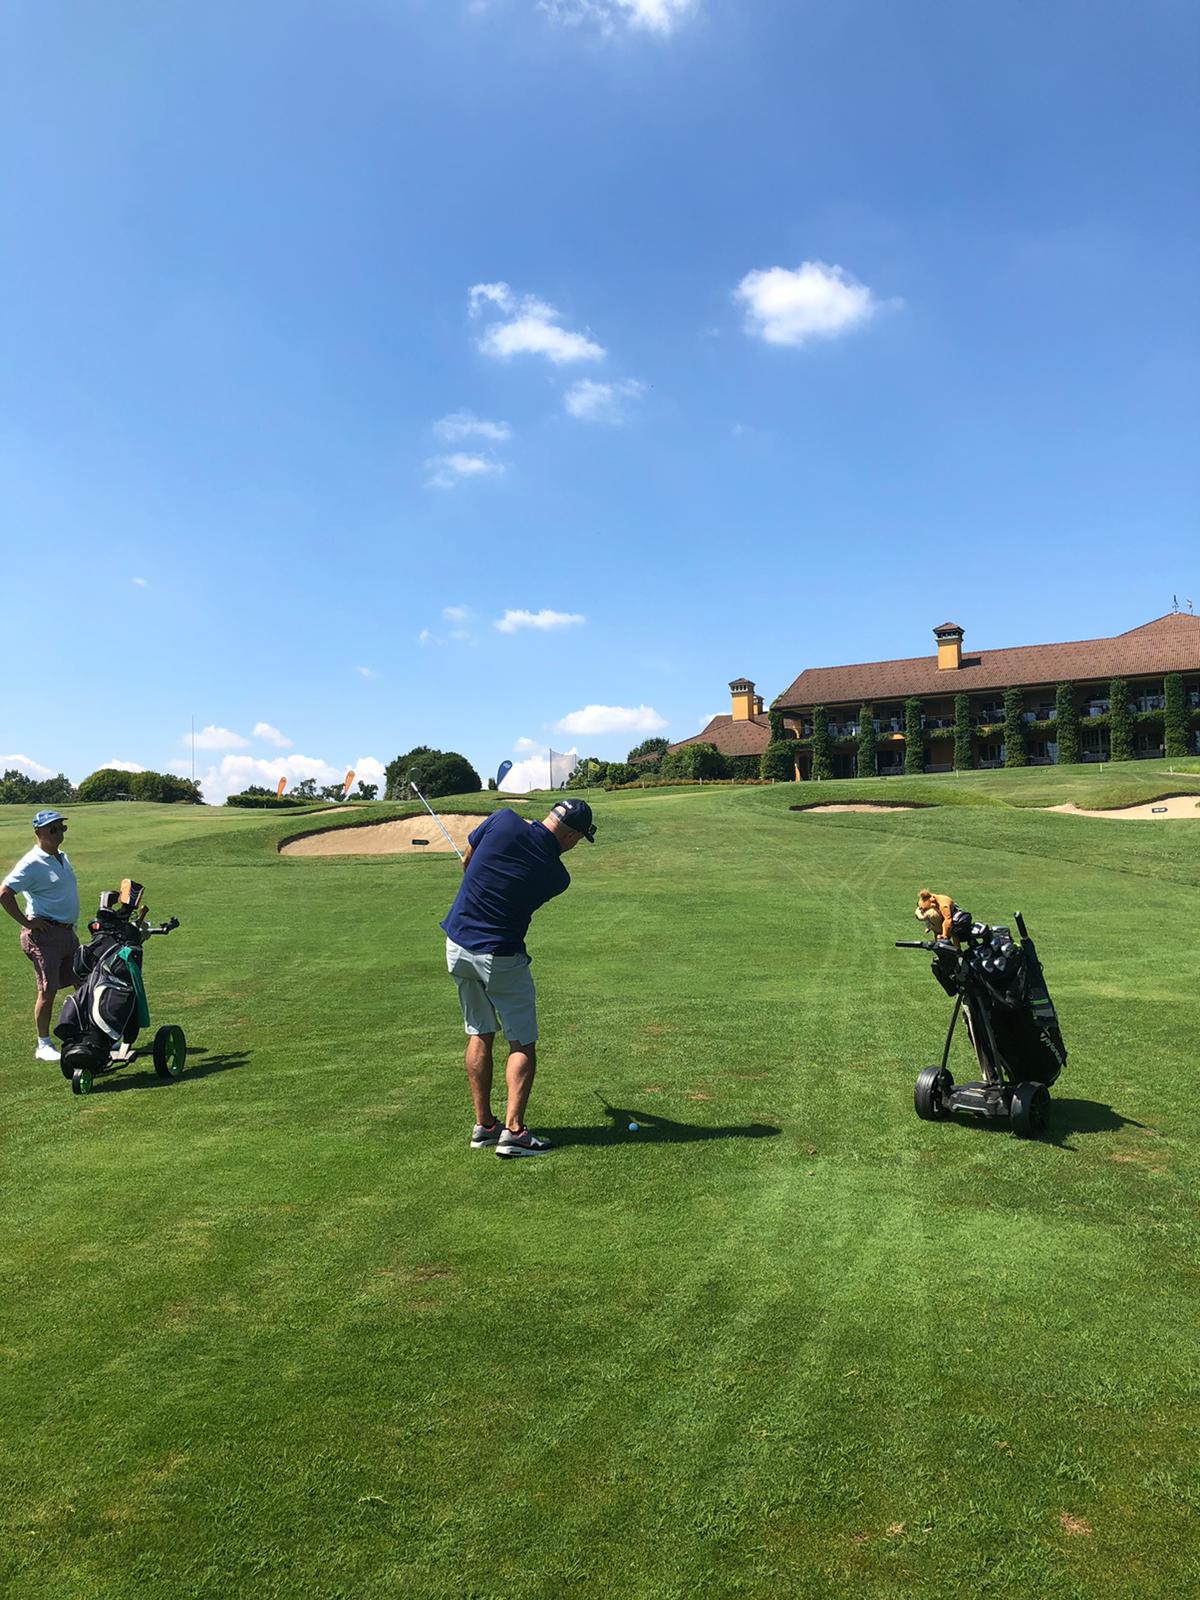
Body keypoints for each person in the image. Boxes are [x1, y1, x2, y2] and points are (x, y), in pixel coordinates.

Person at [441, 797, 596, 1158]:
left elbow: (467, 861)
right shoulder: (557, 877)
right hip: (501, 957)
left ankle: (484, 1126)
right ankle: (514, 1133)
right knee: (521, 1042)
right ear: (570, 837)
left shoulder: (503, 819)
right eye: (577, 840)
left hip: (457, 944)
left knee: (479, 1031)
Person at [1, 810, 80, 1062]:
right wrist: (27, 922)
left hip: (67, 933)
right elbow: (4, 893)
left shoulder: (62, 857)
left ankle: (87, 1032)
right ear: (38, 832)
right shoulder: (31, 862)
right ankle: (43, 1044)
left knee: (83, 981)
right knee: (48, 989)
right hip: (45, 936)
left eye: (61, 828)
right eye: (52, 829)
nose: (59, 833)